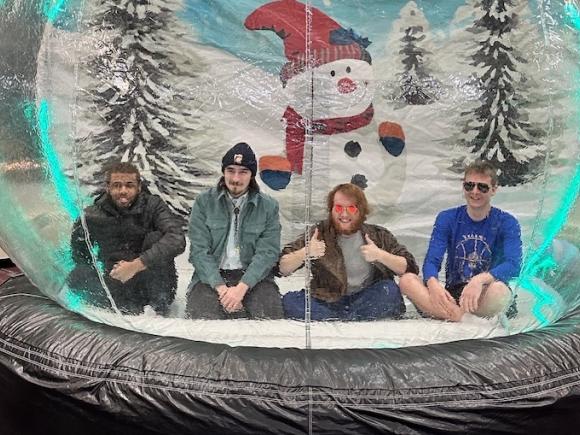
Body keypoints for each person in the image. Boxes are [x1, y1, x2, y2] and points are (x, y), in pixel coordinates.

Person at [399, 160, 522, 321]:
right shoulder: (447, 218)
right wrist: (433, 283)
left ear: (494, 189)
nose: (475, 192)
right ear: (463, 186)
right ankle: (464, 319)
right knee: (407, 280)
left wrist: (480, 280)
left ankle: (453, 316)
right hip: (455, 294)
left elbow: (514, 265)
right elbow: (432, 260)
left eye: (482, 187)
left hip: (486, 292)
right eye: (469, 186)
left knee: (499, 291)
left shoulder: (507, 222)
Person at [279, 183, 418, 321]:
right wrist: (305, 252)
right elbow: (282, 268)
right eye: (339, 208)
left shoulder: (378, 234)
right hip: (328, 301)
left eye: (351, 208)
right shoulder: (318, 233)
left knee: (390, 291)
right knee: (289, 301)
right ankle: (352, 318)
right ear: (331, 209)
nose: (344, 214)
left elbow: (409, 268)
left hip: (367, 298)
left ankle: (340, 319)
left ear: (361, 210)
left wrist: (380, 255)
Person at [68, 162, 185, 315]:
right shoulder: (92, 215)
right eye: (117, 185)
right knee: (77, 276)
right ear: (107, 187)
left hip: (154, 283)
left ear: (139, 187)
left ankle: (158, 310)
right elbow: (80, 254)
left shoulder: (153, 206)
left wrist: (136, 265)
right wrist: (106, 271)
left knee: (156, 238)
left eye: (129, 185)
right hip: (115, 282)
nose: (123, 191)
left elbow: (177, 239)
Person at [186, 142, 284, 319]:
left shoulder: (268, 206)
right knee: (201, 321)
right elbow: (199, 252)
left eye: (243, 172)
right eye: (231, 170)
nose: (236, 178)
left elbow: (268, 253)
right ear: (223, 172)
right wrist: (221, 289)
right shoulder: (204, 202)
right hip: (211, 277)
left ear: (252, 175)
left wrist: (241, 288)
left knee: (270, 317)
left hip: (253, 277)